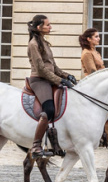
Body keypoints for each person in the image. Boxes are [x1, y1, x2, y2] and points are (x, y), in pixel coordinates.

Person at [27, 15, 78, 159]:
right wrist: (59, 81)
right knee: (49, 109)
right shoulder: (33, 44)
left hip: (49, 79)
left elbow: (53, 66)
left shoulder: (44, 42)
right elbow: (42, 69)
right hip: (39, 80)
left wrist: (67, 76)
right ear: (39, 27)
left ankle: (57, 143)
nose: (51, 27)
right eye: (48, 25)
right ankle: (36, 146)